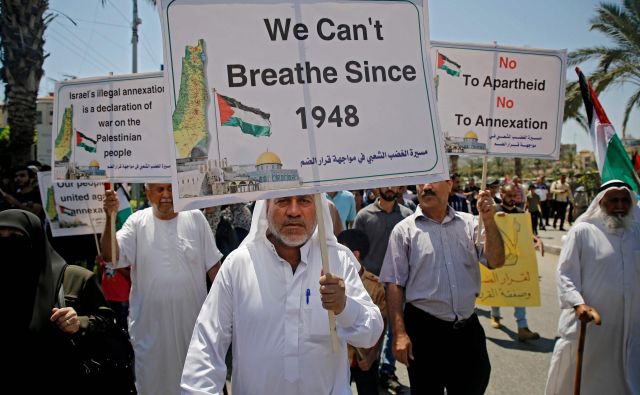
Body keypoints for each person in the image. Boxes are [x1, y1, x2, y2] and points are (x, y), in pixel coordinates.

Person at [180, 195, 384, 394]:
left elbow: (371, 334)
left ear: (318, 207)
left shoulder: (337, 260)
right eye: (283, 201)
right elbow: (206, 348)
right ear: (267, 206)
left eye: (304, 201)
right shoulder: (239, 265)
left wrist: (344, 307)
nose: (293, 211)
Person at [380, 180, 505, 394]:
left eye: (433, 179)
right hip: (424, 332)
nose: (425, 186)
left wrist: (489, 221)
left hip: (467, 330)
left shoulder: (471, 224)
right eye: (420, 182)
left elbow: (496, 261)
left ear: (449, 185)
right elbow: (394, 283)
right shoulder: (404, 230)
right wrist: (399, 333)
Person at [101, 183, 223, 395]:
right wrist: (110, 218)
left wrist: (225, 310)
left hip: (192, 328)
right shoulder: (137, 222)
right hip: (150, 332)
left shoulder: (194, 217)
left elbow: (214, 267)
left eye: (170, 188)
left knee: (197, 385)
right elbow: (110, 256)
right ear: (148, 192)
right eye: (159, 190)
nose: (166, 195)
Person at [4, 209, 131, 394]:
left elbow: (109, 325)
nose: (7, 243)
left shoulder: (75, 279)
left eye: (15, 236)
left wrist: (80, 323)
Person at [545, 180, 639, 395]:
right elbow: (565, 273)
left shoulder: (637, 234)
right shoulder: (583, 232)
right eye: (613, 200)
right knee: (583, 379)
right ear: (600, 202)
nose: (619, 205)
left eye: (625, 200)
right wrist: (577, 303)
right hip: (590, 323)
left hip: (629, 326)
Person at [353, 185, 412, 391]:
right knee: (372, 329)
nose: (389, 188)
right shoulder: (363, 216)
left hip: (398, 285)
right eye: (385, 184)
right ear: (378, 188)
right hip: (371, 288)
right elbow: (355, 252)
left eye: (394, 184)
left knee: (395, 329)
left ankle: (388, 371)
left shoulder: (408, 216)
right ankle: (368, 367)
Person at [490, 184, 544, 342]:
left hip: (515, 261)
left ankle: (522, 327)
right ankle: (495, 315)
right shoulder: (494, 210)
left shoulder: (521, 213)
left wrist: (536, 239)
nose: (512, 199)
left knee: (519, 290)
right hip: (496, 258)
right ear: (502, 194)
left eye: (515, 196)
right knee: (496, 287)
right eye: (509, 196)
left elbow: (527, 233)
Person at [338, 228, 387, 395]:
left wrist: (372, 355)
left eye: (341, 249)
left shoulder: (375, 285)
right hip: (339, 359)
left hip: (364, 359)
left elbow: (382, 322)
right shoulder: (331, 282)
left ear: (355, 255)